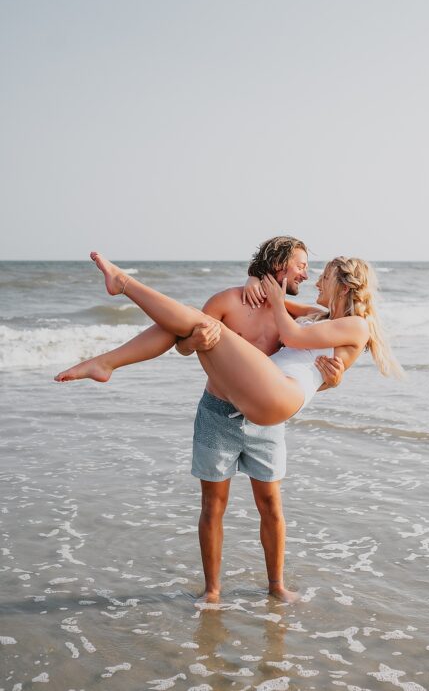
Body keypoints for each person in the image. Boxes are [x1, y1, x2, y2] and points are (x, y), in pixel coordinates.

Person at [57, 237, 401, 602]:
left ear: (343, 285)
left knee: (270, 504)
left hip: (271, 410)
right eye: (302, 265)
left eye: (321, 274)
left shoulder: (327, 320)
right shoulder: (289, 310)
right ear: (279, 266)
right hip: (228, 408)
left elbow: (298, 342)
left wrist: (335, 376)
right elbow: (184, 343)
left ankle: (120, 298)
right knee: (197, 326)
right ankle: (212, 592)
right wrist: (250, 291)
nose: (311, 276)